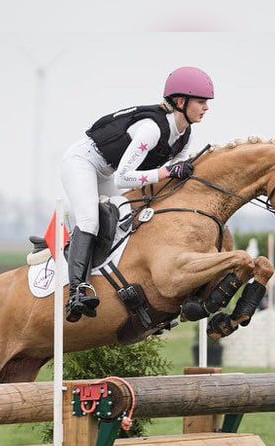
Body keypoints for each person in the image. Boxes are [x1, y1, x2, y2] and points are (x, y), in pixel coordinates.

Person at [60, 66, 214, 322]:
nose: (206, 108)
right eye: (201, 101)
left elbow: (170, 181)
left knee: (133, 212)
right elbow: (125, 177)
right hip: (83, 163)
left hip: (108, 172)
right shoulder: (152, 129)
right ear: (180, 101)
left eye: (206, 102)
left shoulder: (184, 136)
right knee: (90, 220)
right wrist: (166, 172)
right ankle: (77, 290)